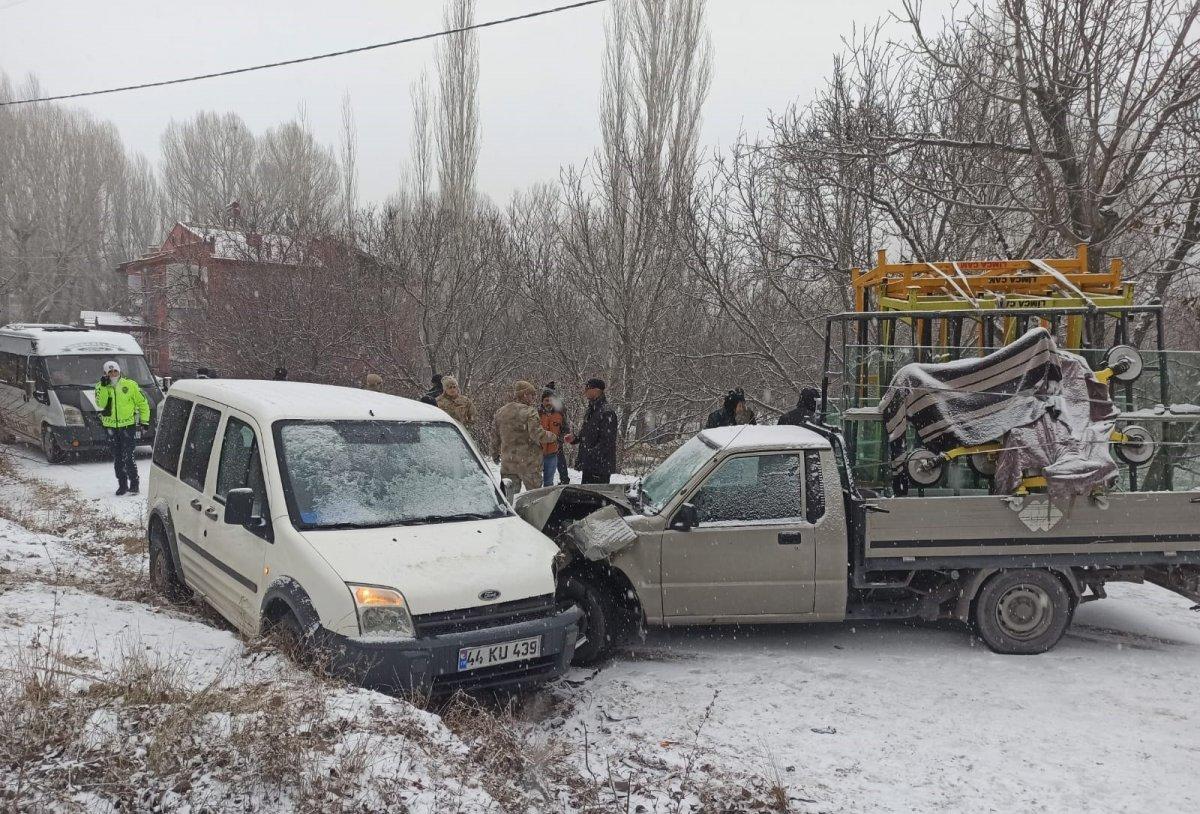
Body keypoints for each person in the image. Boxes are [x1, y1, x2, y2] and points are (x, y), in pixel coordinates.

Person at [95, 360, 150, 496]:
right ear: (105, 373)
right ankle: (122, 484)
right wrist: (103, 387)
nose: (113, 374)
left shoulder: (130, 385)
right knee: (118, 458)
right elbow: (100, 404)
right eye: (110, 371)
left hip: (127, 426)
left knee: (128, 456)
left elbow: (142, 403)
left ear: (119, 371)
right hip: (110, 427)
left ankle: (134, 483)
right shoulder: (100, 386)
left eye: (115, 371)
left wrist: (145, 421)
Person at [492, 380, 558, 492]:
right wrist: (553, 436)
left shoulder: (501, 412)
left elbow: (495, 437)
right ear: (525, 394)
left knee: (509, 497)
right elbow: (537, 434)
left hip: (509, 463)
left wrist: (494, 454)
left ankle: (510, 509)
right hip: (529, 463)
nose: (533, 398)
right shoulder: (529, 412)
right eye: (532, 395)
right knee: (534, 497)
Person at [564, 378, 618, 484]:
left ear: (597, 390)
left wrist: (590, 454)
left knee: (596, 497)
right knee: (586, 497)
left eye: (588, 388)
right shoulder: (592, 410)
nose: (585, 391)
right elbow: (587, 434)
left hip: (600, 467)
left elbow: (607, 441)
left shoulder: (607, 412)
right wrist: (575, 439)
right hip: (590, 466)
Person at [545, 381, 572, 484]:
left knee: (558, 458)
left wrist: (559, 437)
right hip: (555, 435)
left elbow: (562, 423)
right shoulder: (558, 403)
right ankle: (564, 478)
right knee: (559, 458)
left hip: (556, 435)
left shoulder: (556, 405)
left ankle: (564, 479)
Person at [539, 388, 566, 487]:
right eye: (546, 400)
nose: (549, 402)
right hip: (537, 454)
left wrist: (559, 441)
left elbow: (565, 430)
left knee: (548, 483)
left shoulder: (560, 414)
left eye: (551, 400)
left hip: (552, 454)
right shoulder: (536, 414)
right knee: (535, 484)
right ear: (542, 401)